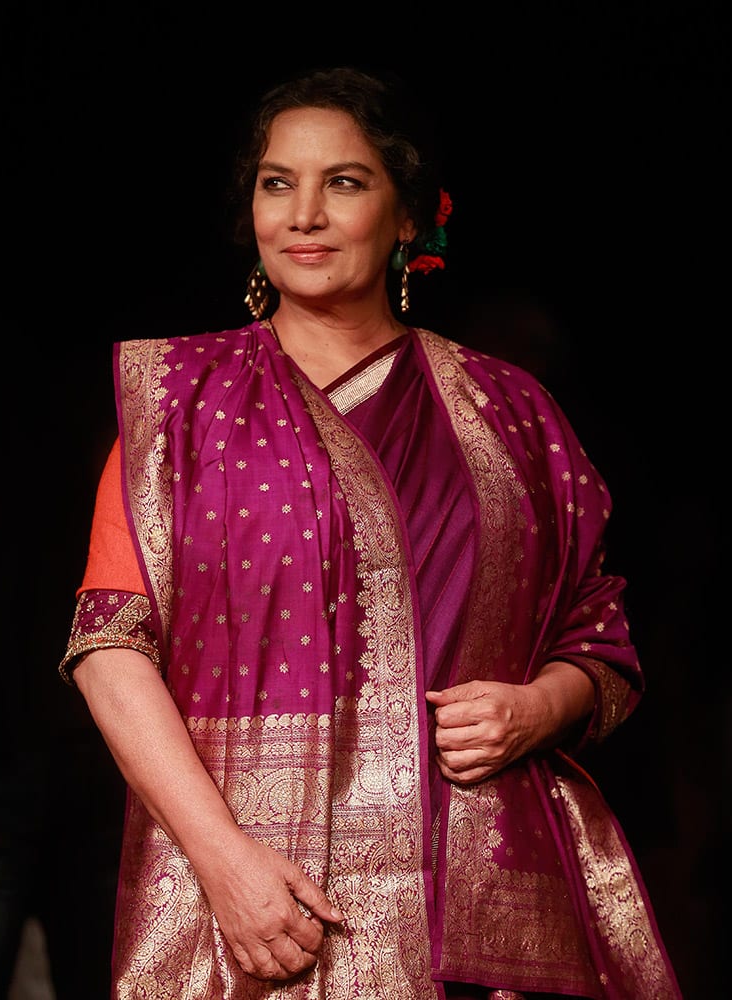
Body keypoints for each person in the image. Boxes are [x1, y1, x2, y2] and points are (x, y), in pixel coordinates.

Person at [58, 65, 682, 999]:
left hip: (475, 895)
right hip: (256, 893)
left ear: (409, 217)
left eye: (343, 182)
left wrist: (540, 707)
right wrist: (223, 860)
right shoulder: (176, 405)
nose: (303, 214)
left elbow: (598, 633)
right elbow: (109, 643)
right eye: (278, 184)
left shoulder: (507, 410)